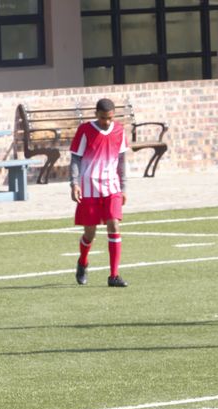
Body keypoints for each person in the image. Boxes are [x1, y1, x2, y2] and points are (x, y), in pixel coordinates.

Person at [71, 98, 129, 288]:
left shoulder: (119, 130)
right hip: (89, 187)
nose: (106, 121)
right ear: (96, 114)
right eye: (103, 118)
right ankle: (83, 262)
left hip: (112, 187)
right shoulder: (85, 130)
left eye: (110, 118)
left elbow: (122, 161)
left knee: (114, 226)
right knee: (90, 233)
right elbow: (76, 158)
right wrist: (74, 183)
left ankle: (114, 276)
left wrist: (124, 187)